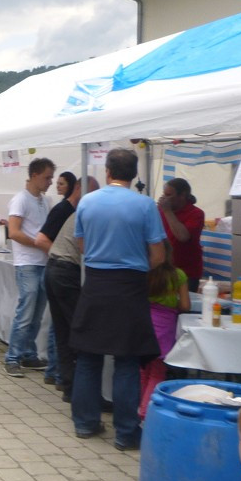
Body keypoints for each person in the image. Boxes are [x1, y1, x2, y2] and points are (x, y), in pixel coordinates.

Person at [70, 148, 165, 450]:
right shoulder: (146, 205)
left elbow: (83, 246)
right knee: (126, 359)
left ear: (108, 171)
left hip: (96, 282)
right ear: (135, 173)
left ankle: (85, 423)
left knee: (88, 356)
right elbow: (159, 255)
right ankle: (125, 433)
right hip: (130, 286)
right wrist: (135, 264)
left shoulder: (87, 201)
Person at [35, 176, 97, 401]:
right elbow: (83, 248)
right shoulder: (83, 214)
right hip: (64, 271)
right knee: (76, 331)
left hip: (54, 269)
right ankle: (80, 390)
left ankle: (68, 386)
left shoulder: (77, 212)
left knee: (63, 332)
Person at [4, 157, 55, 378]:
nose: (50, 182)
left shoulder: (44, 200)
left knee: (36, 313)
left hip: (42, 261)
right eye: (47, 177)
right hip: (27, 262)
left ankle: (27, 352)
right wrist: (38, 243)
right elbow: (13, 232)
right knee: (26, 311)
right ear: (34, 175)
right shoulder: (20, 200)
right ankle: (12, 357)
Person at [138, 240, 190, 418]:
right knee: (157, 373)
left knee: (143, 371)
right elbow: (185, 305)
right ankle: (147, 412)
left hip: (143, 326)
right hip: (164, 331)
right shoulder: (178, 275)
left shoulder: (143, 273)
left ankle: (138, 406)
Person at [158, 178, 205, 292]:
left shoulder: (196, 213)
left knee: (185, 307)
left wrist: (167, 212)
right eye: (164, 195)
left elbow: (183, 236)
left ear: (182, 195)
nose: (165, 199)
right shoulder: (160, 210)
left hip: (187, 273)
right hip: (163, 270)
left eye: (169, 195)